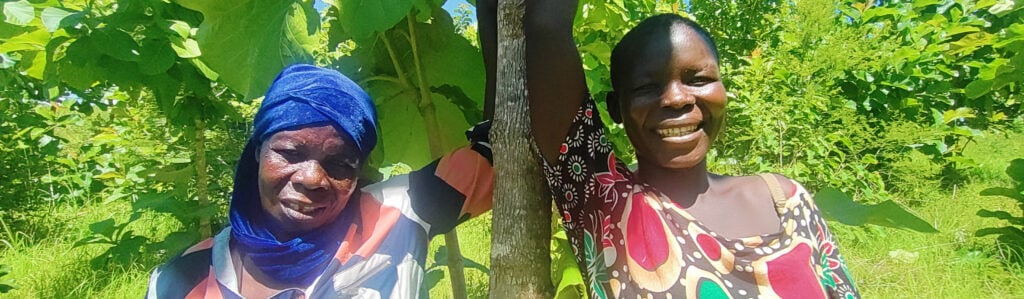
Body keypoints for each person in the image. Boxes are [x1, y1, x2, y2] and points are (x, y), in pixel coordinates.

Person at [477, 1, 860, 297]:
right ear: (616, 109)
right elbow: (545, 26)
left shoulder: (788, 200)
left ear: (723, 92)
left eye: (699, 80)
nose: (677, 98)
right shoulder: (604, 201)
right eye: (647, 88)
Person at [146, 64, 494, 298]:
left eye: (341, 163)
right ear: (257, 152)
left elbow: (511, 150)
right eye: (290, 153)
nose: (312, 179)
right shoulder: (178, 280)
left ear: (359, 171)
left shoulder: (401, 214)